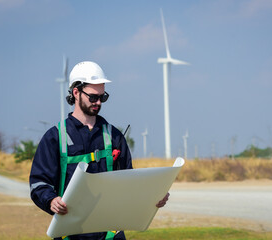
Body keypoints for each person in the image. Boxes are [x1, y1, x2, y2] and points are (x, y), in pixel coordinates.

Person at [29, 61, 170, 240]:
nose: (98, 102)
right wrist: (50, 200)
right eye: (93, 97)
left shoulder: (114, 136)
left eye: (102, 97)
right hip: (71, 234)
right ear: (76, 92)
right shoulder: (55, 137)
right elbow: (39, 183)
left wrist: (152, 198)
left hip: (110, 235)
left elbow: (130, 184)